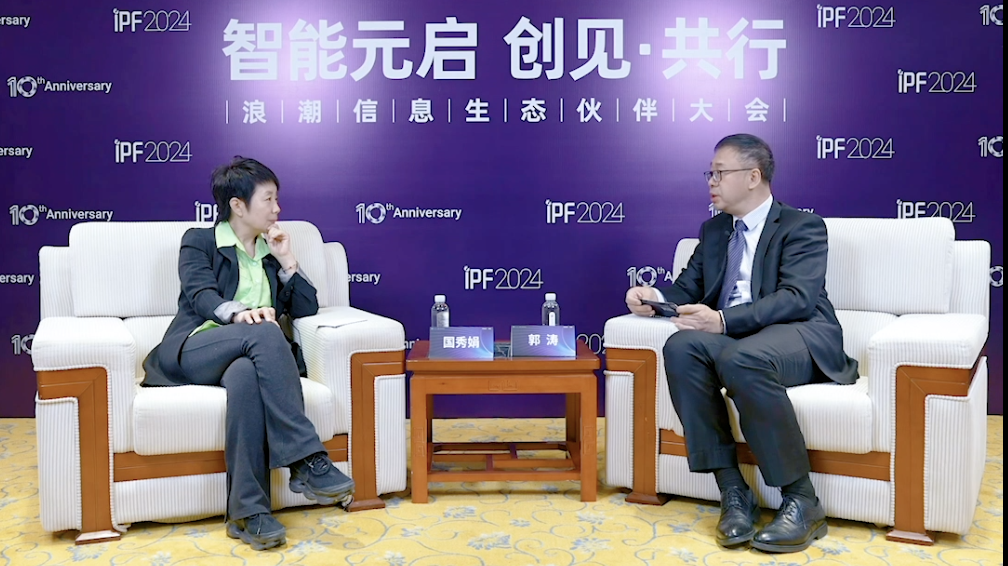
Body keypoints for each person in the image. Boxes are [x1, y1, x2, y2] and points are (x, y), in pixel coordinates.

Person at [625, 134, 858, 553]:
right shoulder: (715, 230)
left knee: (743, 357)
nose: (711, 182)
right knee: (681, 347)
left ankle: (802, 500)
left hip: (799, 334)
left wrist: (723, 320)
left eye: (720, 173)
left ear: (753, 176)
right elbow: (687, 288)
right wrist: (653, 299)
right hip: (737, 340)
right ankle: (734, 492)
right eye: (709, 174)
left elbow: (796, 298)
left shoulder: (802, 226)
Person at [142, 157, 354, 551]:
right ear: (238, 205)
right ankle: (305, 459)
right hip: (198, 347)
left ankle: (248, 514)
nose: (277, 208)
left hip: (246, 357)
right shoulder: (200, 240)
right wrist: (239, 314)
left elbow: (306, 308)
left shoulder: (270, 253)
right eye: (268, 199)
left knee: (245, 376)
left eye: (277, 199)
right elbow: (200, 293)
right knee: (265, 332)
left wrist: (287, 260)